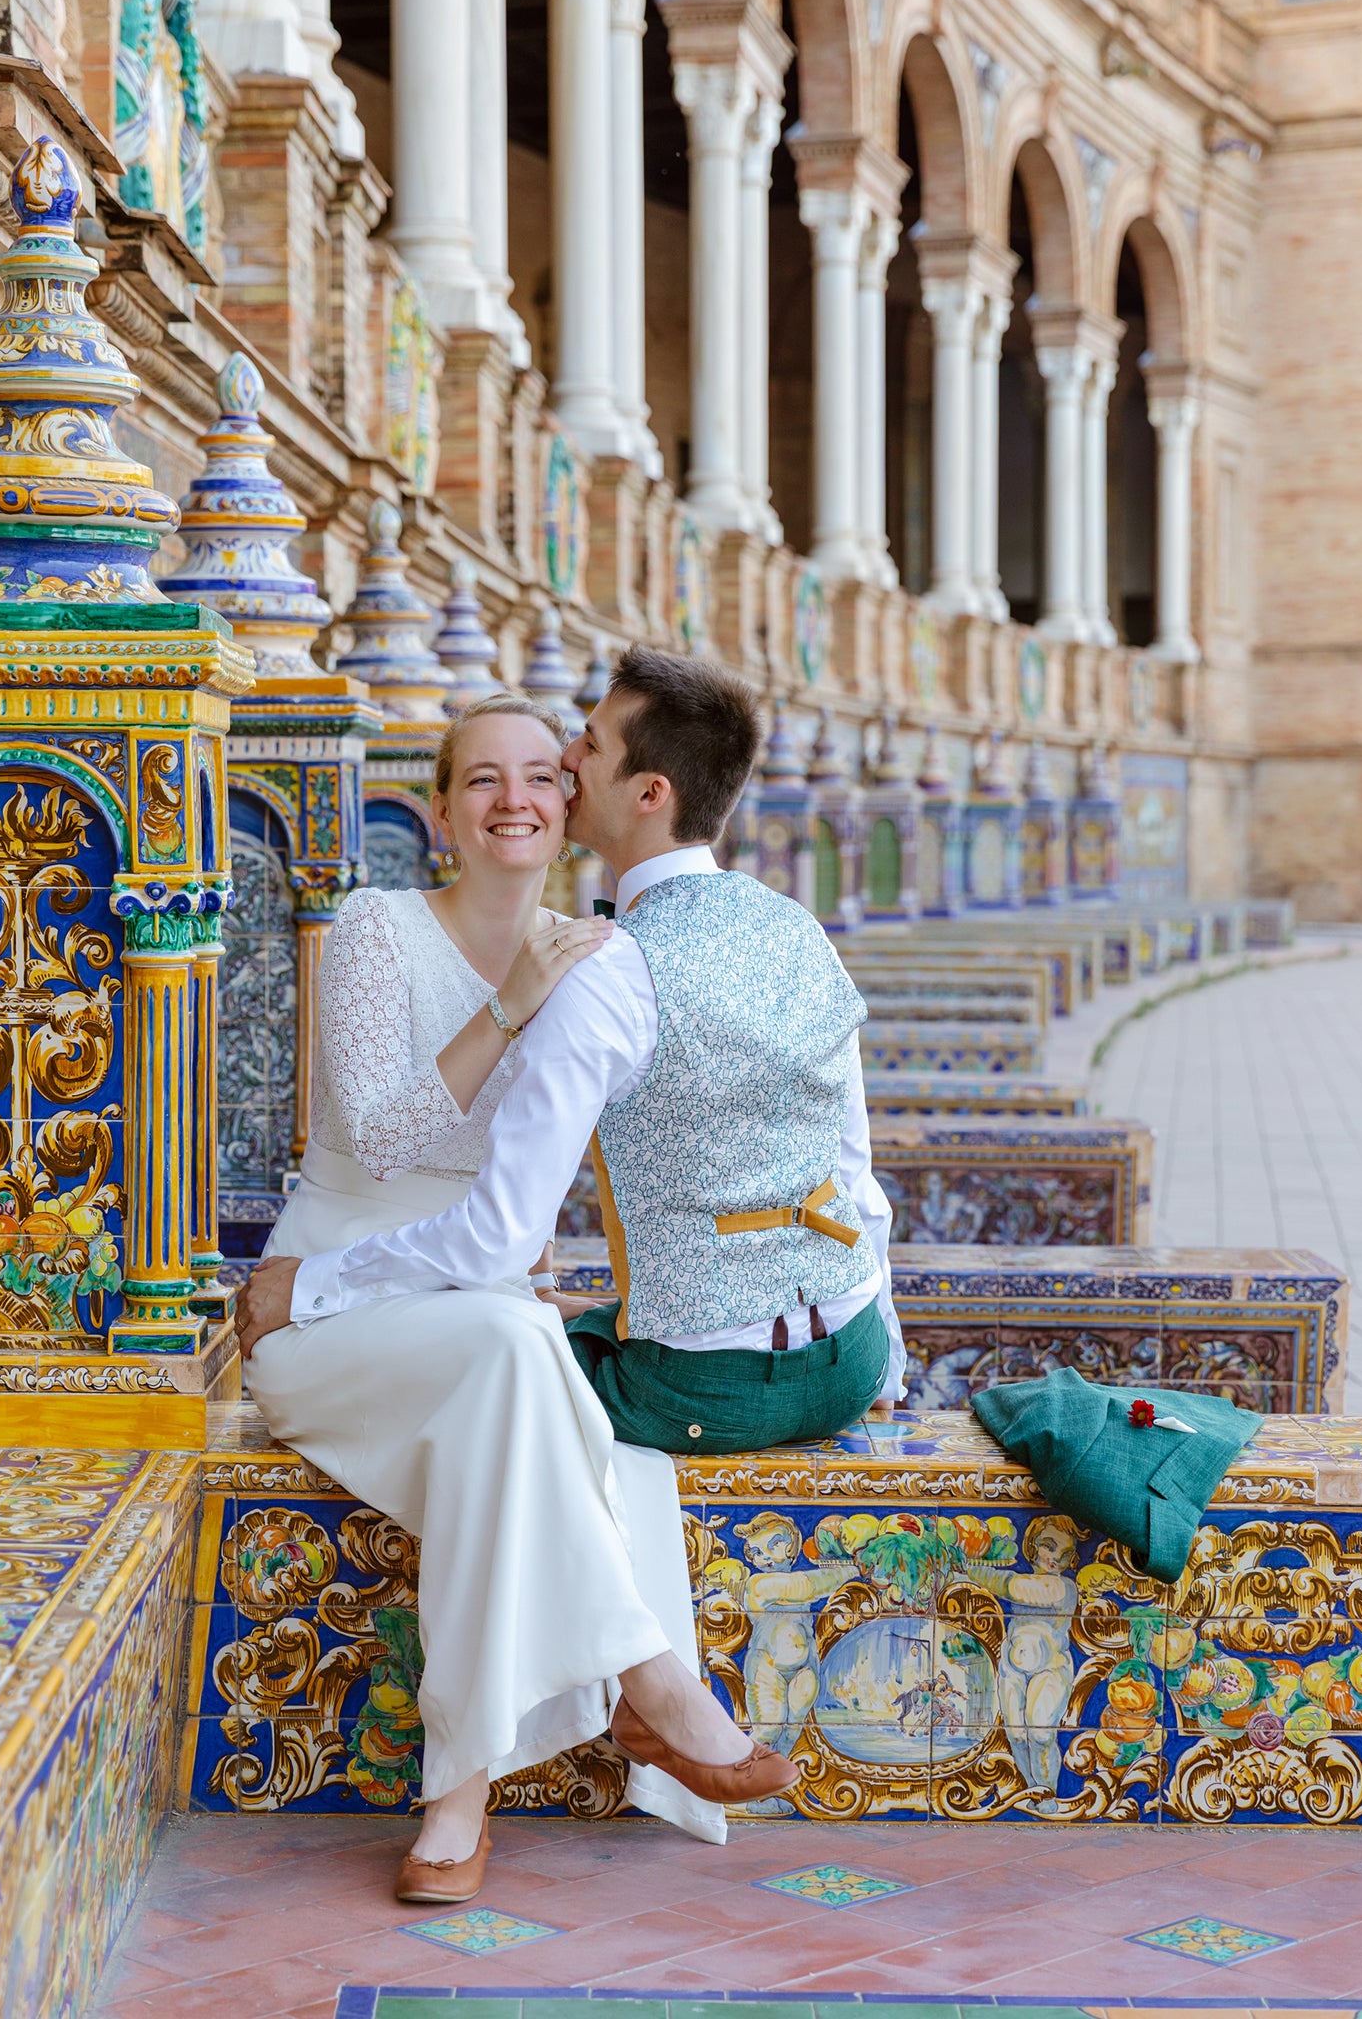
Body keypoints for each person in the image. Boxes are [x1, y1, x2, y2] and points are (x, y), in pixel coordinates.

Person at [241, 648, 906, 1880]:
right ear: (434, 809)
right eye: (479, 779)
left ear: (582, 798)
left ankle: (459, 1796)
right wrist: (509, 1006)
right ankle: (649, 1678)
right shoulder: (377, 927)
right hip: (337, 1288)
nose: (517, 797)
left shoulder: (606, 958)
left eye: (548, 770)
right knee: (520, 1354)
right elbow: (384, 1139)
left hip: (479, 1306)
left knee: (518, 1365)